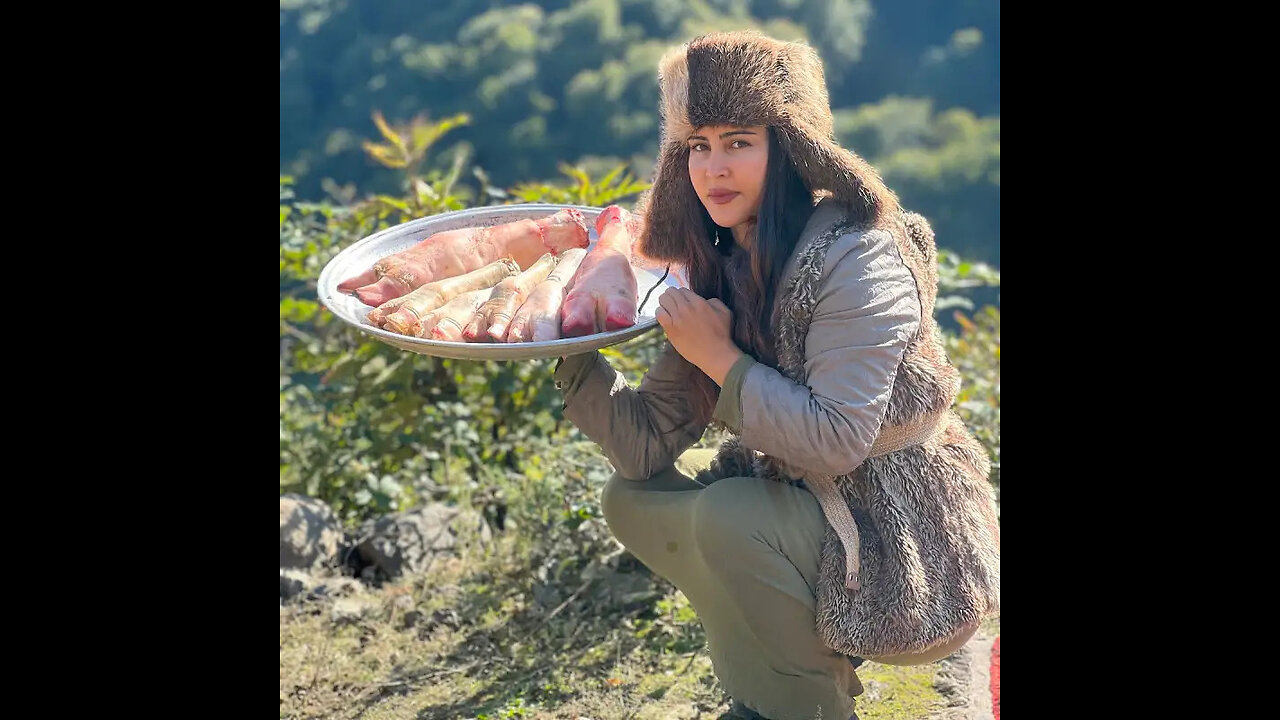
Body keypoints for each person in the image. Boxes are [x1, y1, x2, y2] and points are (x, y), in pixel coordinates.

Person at [553, 30, 1000, 720]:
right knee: (631, 500)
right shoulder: (728, 258)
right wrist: (563, 341)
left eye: (739, 141)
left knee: (729, 520)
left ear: (791, 148)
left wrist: (721, 358)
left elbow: (837, 440)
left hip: (906, 541)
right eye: (697, 146)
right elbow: (644, 446)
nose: (713, 168)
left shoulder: (859, 257)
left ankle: (805, 704)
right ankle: (773, 674)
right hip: (810, 503)